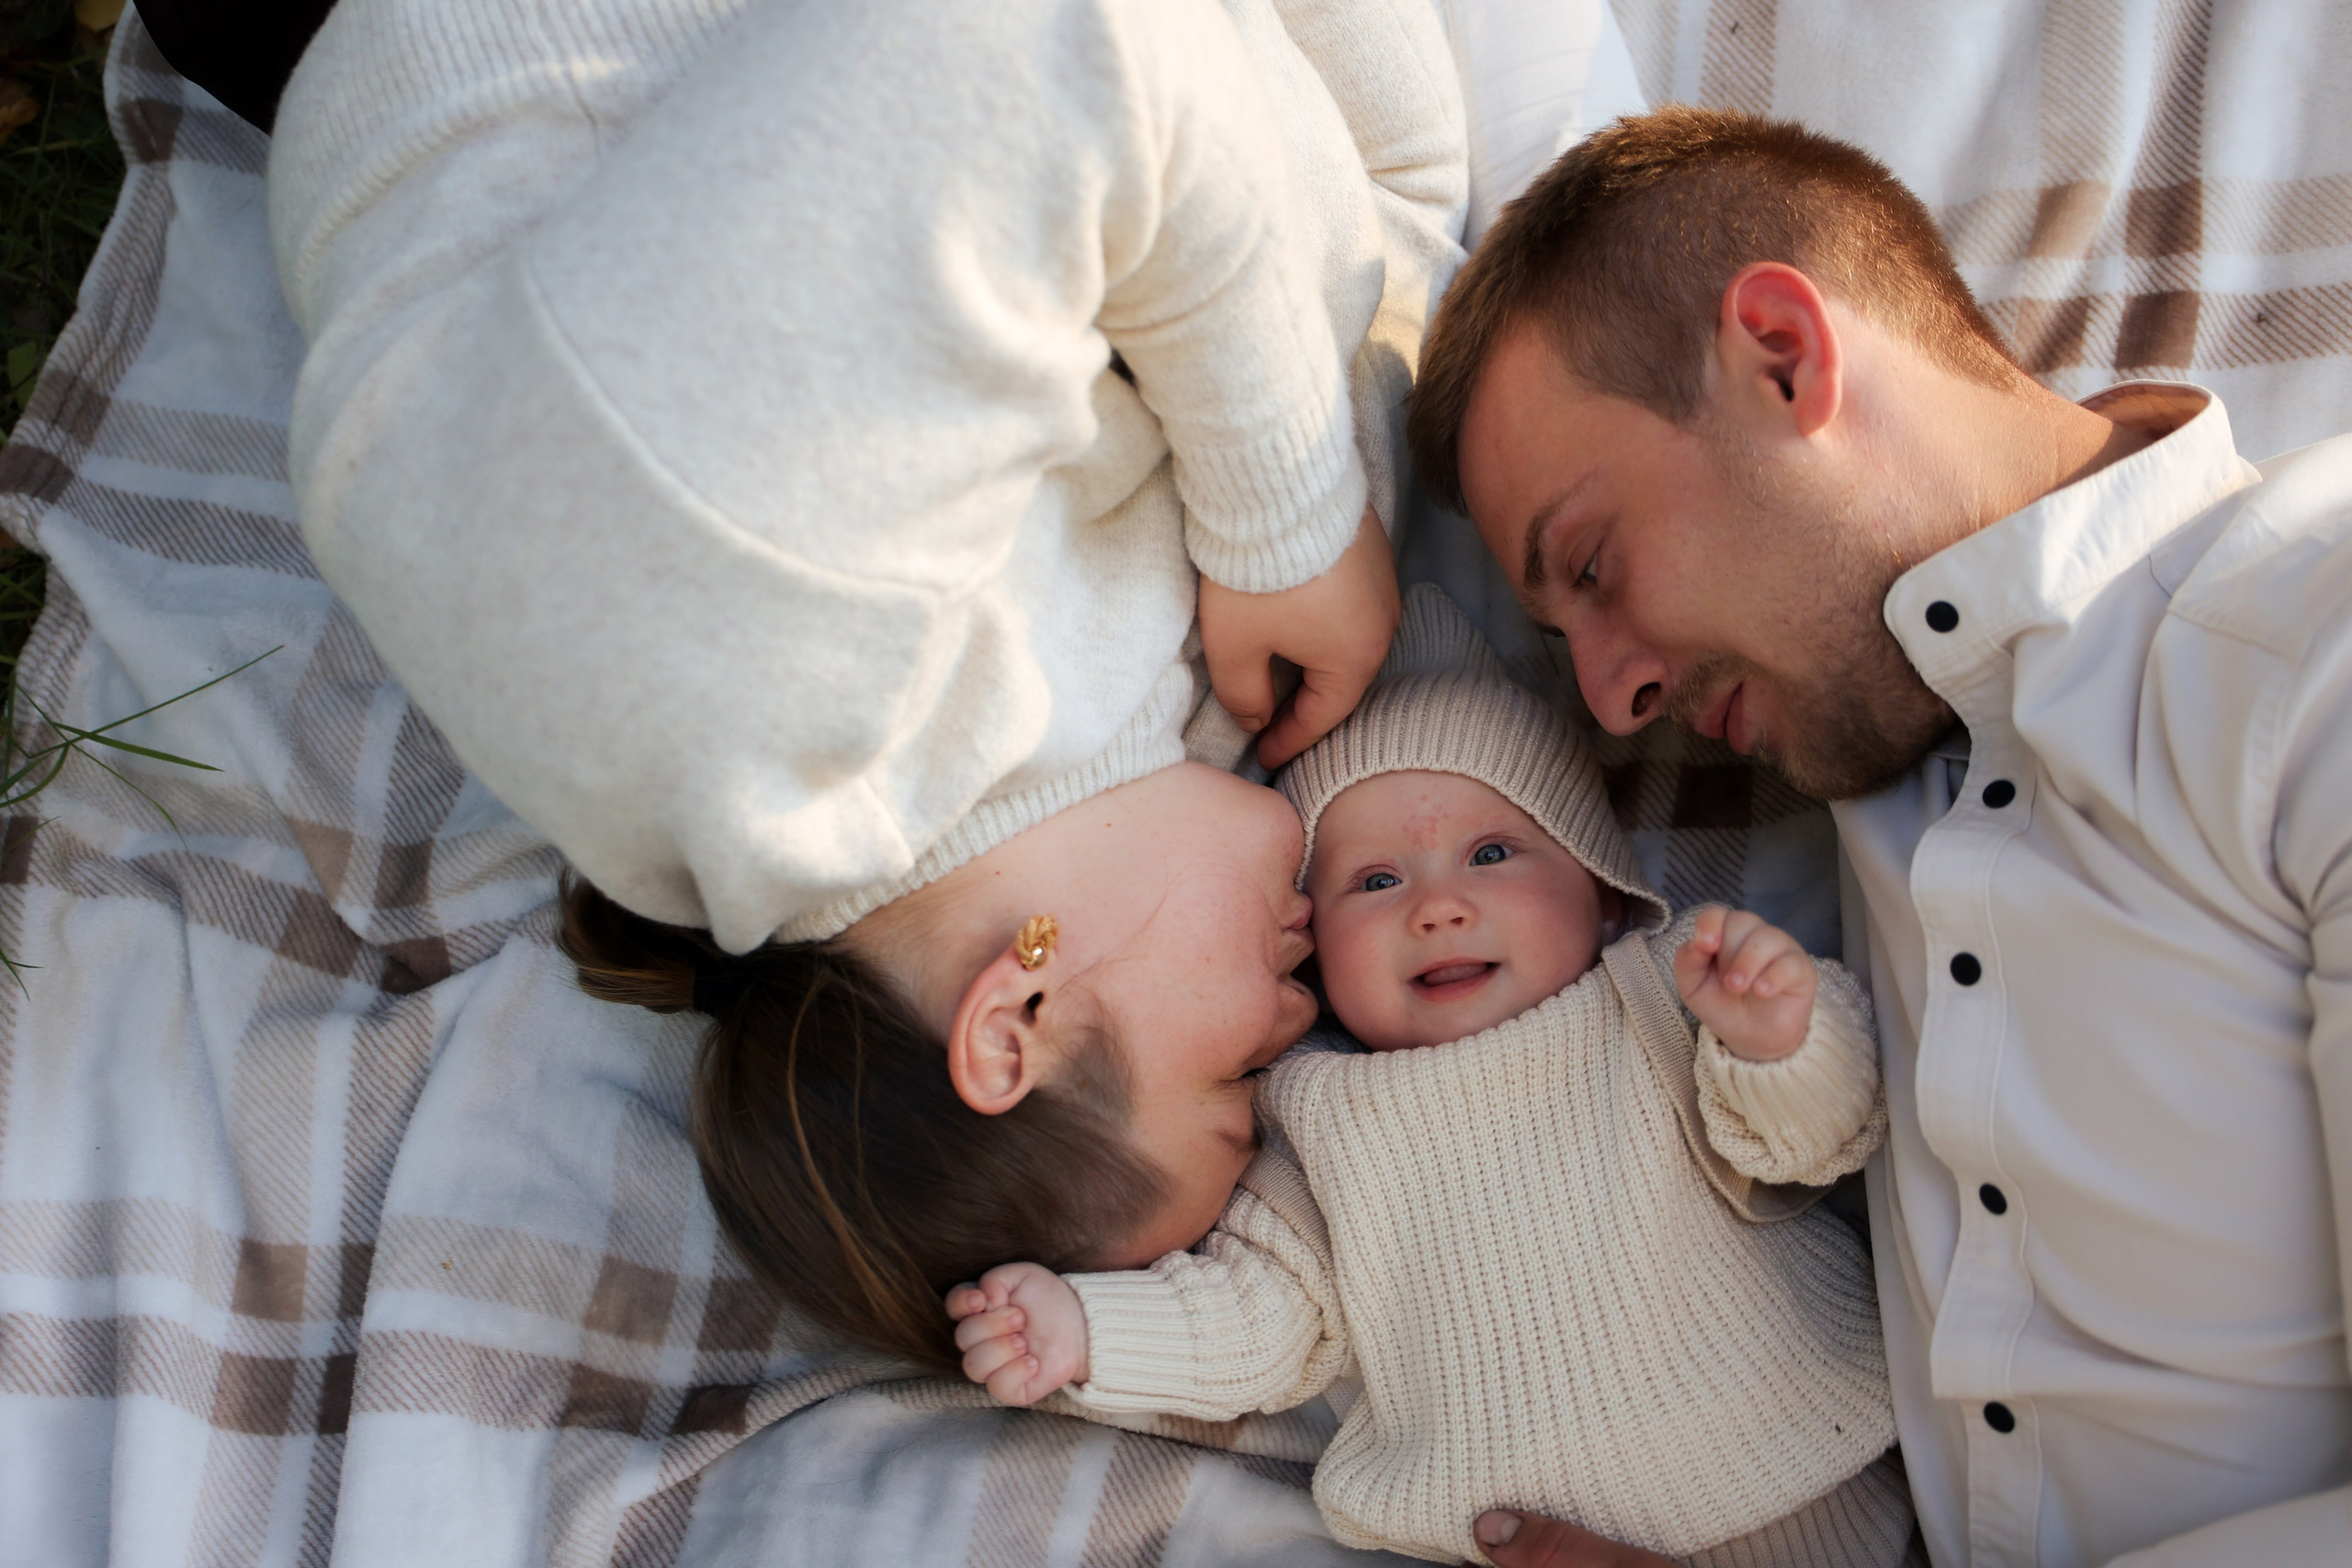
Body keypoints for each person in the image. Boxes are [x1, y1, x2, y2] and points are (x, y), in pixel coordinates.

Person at [267, 0, 1467, 1363]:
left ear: (1013, 1018)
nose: (1310, 1015)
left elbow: (1061, 47)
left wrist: (1290, 509)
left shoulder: (762, 638)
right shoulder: (1035, 793)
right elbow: (1355, 212)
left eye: (1237, 1072)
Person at [1409, 107, 2352, 1566]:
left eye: (1592, 564)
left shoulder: (2313, 633)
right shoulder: (1878, 736)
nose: (1610, 694)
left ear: (1784, 354)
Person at [944, 587, 1911, 1567]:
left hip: (1801, 1472)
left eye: (1492, 854)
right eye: (1376, 881)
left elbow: (1814, 1145)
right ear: (1310, 947)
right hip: (1498, 1536)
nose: (1439, 907)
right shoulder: (1312, 1117)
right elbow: (1268, 1322)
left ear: (1603, 897)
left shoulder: (1659, 995)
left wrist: (1777, 1041)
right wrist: (1085, 1330)